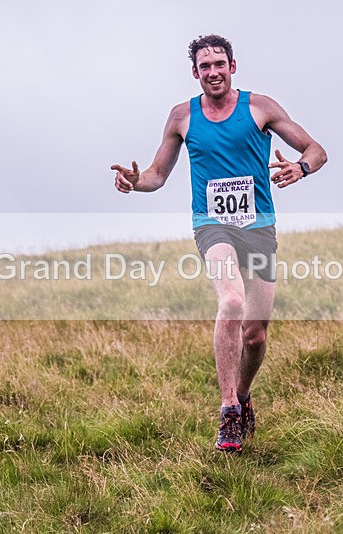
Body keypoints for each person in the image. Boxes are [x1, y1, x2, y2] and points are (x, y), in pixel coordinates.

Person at [111, 34, 327, 452]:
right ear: (195, 73)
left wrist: (301, 167)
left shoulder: (260, 107)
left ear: (233, 66)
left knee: (256, 336)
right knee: (230, 301)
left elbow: (316, 149)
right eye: (204, 66)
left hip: (259, 228)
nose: (213, 72)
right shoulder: (181, 117)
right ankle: (228, 410)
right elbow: (156, 175)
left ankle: (244, 397)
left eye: (219, 64)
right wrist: (135, 182)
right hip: (213, 226)